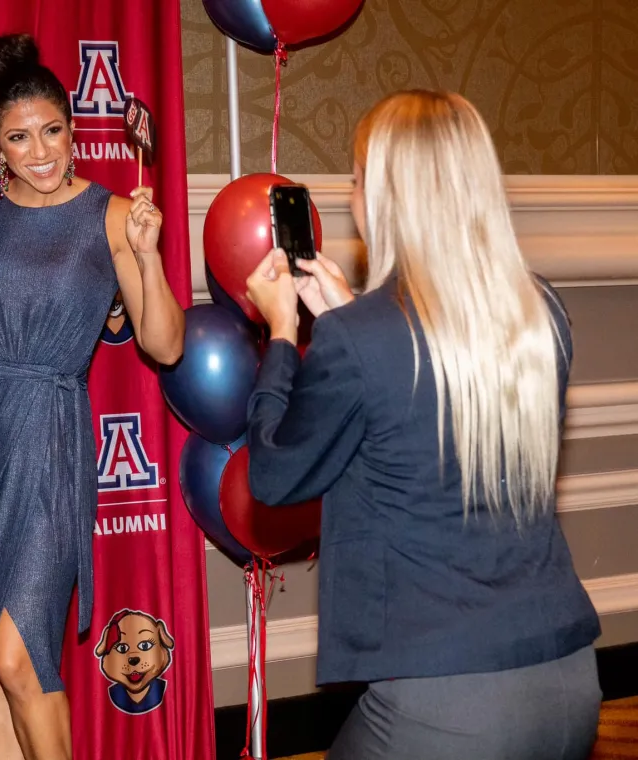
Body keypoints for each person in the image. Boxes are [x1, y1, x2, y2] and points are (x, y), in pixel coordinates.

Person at [243, 89, 602, 760]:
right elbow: (430, 405)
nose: (352, 195)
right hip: (570, 679)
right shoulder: (541, 311)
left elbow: (274, 473)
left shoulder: (358, 340)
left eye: (355, 178)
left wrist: (285, 335)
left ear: (384, 193)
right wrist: (349, 313)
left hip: (447, 705)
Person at [0, 33, 185, 760]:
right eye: (18, 138)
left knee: (22, 654)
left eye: (52, 132)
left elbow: (164, 345)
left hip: (47, 438)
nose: (39, 152)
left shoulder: (109, 214)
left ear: (74, 129)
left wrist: (147, 254)